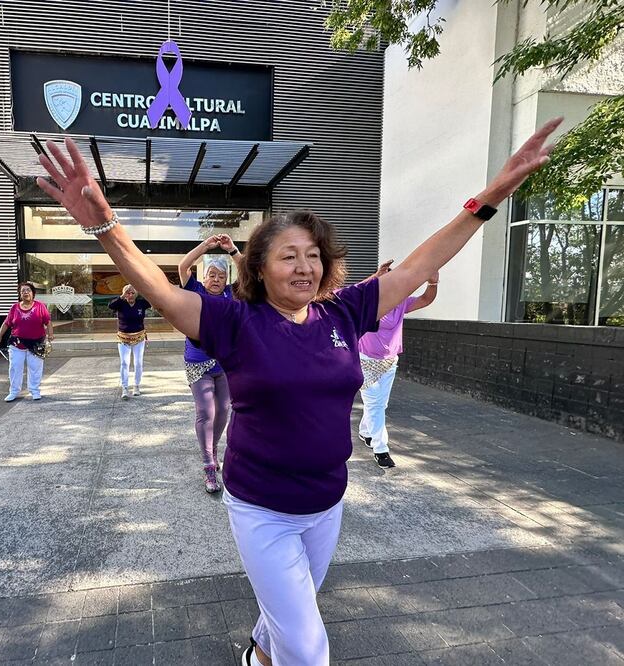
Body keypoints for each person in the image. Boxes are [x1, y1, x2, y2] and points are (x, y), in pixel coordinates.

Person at [34, 118, 560, 665]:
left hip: (326, 502)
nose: (305, 265)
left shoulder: (344, 310)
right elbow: (161, 291)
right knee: (308, 649)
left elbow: (419, 264)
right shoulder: (235, 322)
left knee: (290, 611)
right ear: (258, 268)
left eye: (313, 254)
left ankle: (257, 654)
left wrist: (489, 197)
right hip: (261, 506)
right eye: (289, 255)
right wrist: (106, 226)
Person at [357, 261, 439, 468]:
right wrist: (374, 276)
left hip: (389, 361)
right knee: (375, 403)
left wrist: (433, 283)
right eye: (384, 282)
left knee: (379, 404)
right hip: (365, 361)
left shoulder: (401, 303)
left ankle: (366, 431)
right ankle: (381, 449)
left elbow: (426, 300)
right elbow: (350, 295)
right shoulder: (368, 303)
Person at [178, 234, 243, 493]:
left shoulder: (231, 293)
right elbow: (183, 267)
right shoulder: (195, 291)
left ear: (225, 280)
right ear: (204, 277)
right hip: (198, 362)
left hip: (225, 363)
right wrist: (205, 247)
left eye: (220, 276)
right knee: (206, 412)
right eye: (211, 275)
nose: (215, 280)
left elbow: (251, 274)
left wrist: (232, 251)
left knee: (225, 410)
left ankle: (212, 449)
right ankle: (208, 465)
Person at [0, 282, 54, 402]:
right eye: (23, 291)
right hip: (17, 343)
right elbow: (6, 323)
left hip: (37, 343)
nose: (26, 292)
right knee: (15, 367)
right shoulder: (14, 307)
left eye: (28, 290)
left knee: (35, 367)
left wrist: (50, 334)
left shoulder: (40, 306)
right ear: (20, 294)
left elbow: (48, 321)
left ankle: (34, 390)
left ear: (33, 293)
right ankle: (14, 391)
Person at [108, 284, 151, 400]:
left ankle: (136, 385)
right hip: (123, 339)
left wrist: (140, 289)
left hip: (139, 338)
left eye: (132, 293)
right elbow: (110, 306)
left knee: (138, 362)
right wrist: (122, 296)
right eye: (128, 293)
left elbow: (152, 299)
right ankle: (125, 387)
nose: (130, 295)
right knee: (124, 363)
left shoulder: (141, 304)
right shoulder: (120, 303)